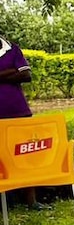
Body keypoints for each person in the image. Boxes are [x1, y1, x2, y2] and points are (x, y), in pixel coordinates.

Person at [0, 36, 46, 209]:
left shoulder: (13, 49)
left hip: (19, 112)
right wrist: (12, 72)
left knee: (26, 155)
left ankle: (31, 201)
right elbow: (19, 72)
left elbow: (26, 75)